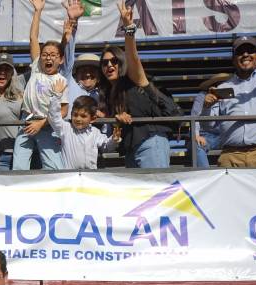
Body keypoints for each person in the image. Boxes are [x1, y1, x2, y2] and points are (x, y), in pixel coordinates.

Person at [100, 1, 176, 169]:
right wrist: (117, 119)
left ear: (121, 63)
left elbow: (133, 56)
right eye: (105, 63)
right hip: (130, 148)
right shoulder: (109, 93)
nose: (110, 65)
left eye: (114, 61)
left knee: (157, 189)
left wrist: (129, 28)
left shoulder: (134, 78)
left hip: (150, 142)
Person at [12, 0, 82, 171]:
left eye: (52, 55)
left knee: (54, 170)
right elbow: (33, 38)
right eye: (44, 54)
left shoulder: (61, 80)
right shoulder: (36, 67)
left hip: (47, 126)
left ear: (60, 59)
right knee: (18, 169)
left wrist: (42, 123)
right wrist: (38, 11)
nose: (48, 58)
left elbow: (64, 111)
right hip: (26, 122)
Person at [201, 36, 256, 167]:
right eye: (240, 52)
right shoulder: (222, 88)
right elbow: (208, 126)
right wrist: (207, 107)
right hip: (231, 155)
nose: (245, 54)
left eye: (250, 50)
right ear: (233, 60)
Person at [48, 80, 120, 169]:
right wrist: (56, 96)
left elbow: (107, 147)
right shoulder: (66, 129)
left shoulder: (95, 132)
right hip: (70, 177)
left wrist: (114, 140)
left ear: (93, 119)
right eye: (75, 115)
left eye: (83, 116)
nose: (78, 119)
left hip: (90, 176)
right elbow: (53, 117)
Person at [191, 73, 229, 168]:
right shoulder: (202, 96)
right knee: (196, 145)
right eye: (219, 84)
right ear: (212, 86)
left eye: (225, 84)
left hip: (228, 136)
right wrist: (196, 136)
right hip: (206, 135)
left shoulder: (233, 98)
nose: (222, 87)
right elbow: (194, 117)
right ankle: (207, 175)